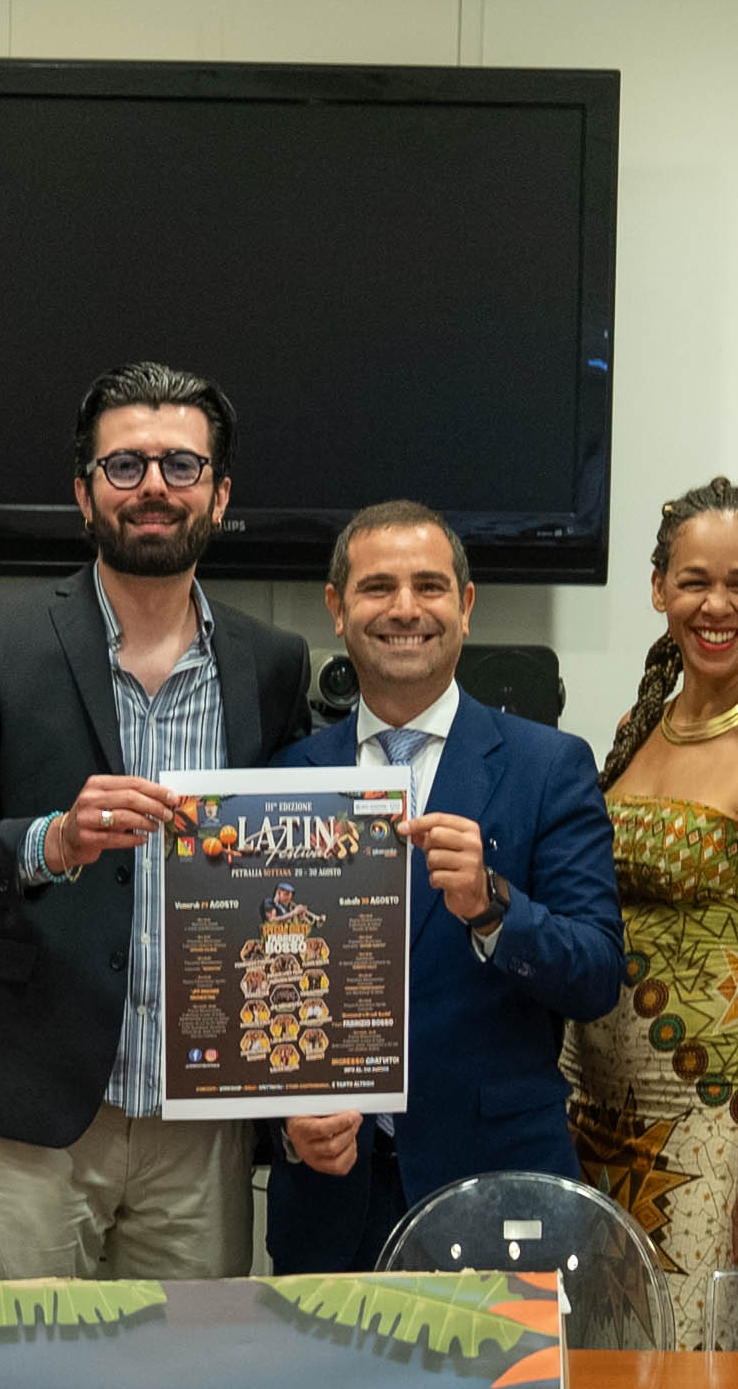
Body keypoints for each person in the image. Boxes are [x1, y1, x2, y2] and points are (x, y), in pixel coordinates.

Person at [0, 361, 314, 1280]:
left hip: (204, 1119)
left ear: (219, 495)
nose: (153, 485)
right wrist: (51, 841)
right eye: (125, 466)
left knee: (184, 1369)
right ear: (84, 494)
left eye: (180, 465)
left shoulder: (273, 662)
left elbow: (300, 875)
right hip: (40, 1116)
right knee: (18, 1366)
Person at [266, 500, 622, 1271]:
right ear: (337, 608)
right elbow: (253, 987)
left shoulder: (547, 765)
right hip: (331, 1203)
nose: (405, 609)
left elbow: (597, 975)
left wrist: (495, 909)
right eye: (377, 587)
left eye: (429, 586)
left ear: (465, 606)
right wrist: (284, 1123)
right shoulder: (286, 777)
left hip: (498, 1191)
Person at [569, 476, 738, 1349]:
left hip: (708, 1123)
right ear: (659, 589)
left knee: (679, 1369)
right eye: (693, 582)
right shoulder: (639, 724)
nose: (716, 606)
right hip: (585, 1105)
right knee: (584, 1368)